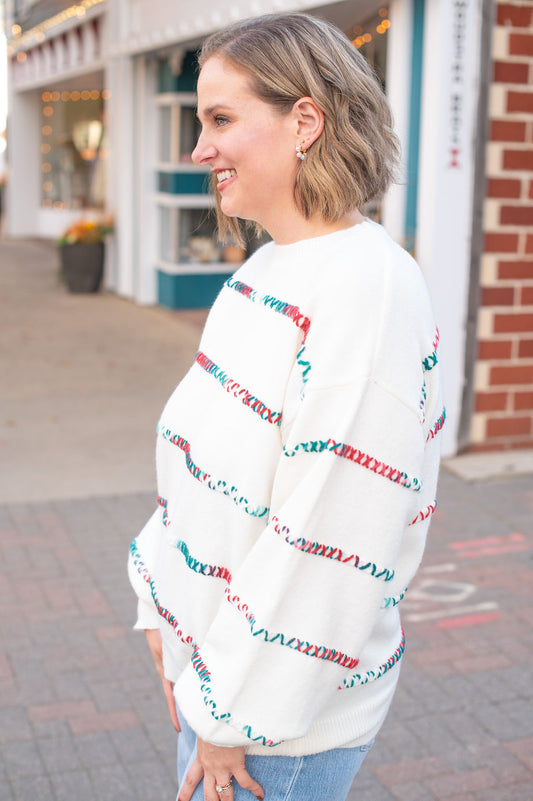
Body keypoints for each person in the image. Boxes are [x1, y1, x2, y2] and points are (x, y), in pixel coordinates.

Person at [128, 12, 444, 801]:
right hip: (219, 694)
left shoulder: (366, 288)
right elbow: (199, 466)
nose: (200, 149)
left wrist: (226, 711)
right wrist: (159, 611)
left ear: (305, 120)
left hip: (271, 728)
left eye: (221, 119)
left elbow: (329, 532)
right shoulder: (266, 269)